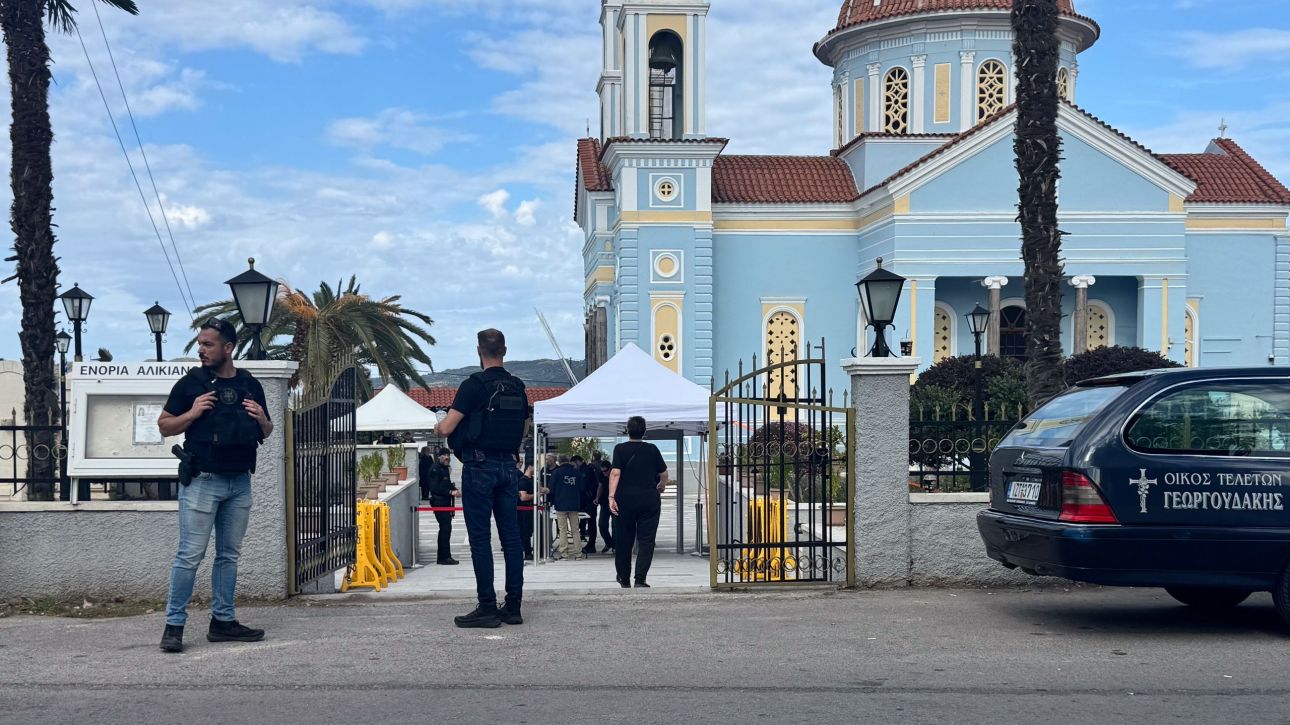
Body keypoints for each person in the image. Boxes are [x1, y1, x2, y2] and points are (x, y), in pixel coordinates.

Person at [155, 318, 273, 653]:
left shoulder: (250, 384)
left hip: (239, 482)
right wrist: (192, 413)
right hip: (203, 481)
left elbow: (266, 431)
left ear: (228, 348)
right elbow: (164, 426)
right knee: (189, 555)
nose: (201, 350)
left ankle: (223, 621)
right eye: (200, 343)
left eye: (208, 344)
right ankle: (174, 626)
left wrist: (261, 418)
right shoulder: (190, 383)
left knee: (228, 555)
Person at [436, 329, 531, 628]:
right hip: (508, 466)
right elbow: (525, 430)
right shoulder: (517, 386)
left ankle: (487, 606)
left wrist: (438, 427)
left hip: (479, 466)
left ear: (479, 351)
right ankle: (513, 606)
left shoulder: (473, 385)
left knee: (480, 539)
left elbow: (449, 427)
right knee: (511, 538)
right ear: (505, 350)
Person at [609, 416, 668, 588]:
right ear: (644, 431)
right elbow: (664, 474)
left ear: (627, 430)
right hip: (648, 500)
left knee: (623, 540)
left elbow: (615, 473)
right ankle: (640, 579)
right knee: (647, 541)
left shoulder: (619, 449)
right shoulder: (652, 449)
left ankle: (623, 577)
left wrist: (611, 496)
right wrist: (661, 486)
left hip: (624, 500)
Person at [421, 446, 459, 565]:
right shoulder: (435, 469)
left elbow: (446, 484)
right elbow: (434, 487)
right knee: (445, 528)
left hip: (446, 503)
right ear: (439, 457)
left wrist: (455, 489)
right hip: (439, 502)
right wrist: (449, 492)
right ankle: (443, 557)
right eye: (444, 455)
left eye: (448, 455)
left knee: (446, 529)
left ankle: (446, 555)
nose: (447, 457)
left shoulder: (445, 468)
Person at [548, 455, 584, 561]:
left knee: (563, 530)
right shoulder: (576, 472)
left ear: (559, 461)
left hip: (560, 504)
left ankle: (564, 554)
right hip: (574, 504)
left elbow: (551, 488)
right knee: (575, 530)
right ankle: (578, 554)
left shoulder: (556, 473)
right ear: (568, 461)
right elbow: (582, 488)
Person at [576, 454, 600, 554]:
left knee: (590, 522)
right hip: (591, 499)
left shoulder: (585, 470)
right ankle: (591, 543)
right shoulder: (589, 469)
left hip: (588, 500)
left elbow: (583, 486)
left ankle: (591, 544)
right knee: (591, 522)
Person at [596, 458, 614, 554]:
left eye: (605, 471)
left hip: (616, 503)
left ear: (610, 468)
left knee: (615, 526)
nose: (604, 473)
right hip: (605, 503)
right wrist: (597, 498)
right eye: (602, 471)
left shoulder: (616, 474)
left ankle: (615, 545)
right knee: (602, 525)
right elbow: (600, 486)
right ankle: (609, 542)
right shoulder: (602, 475)